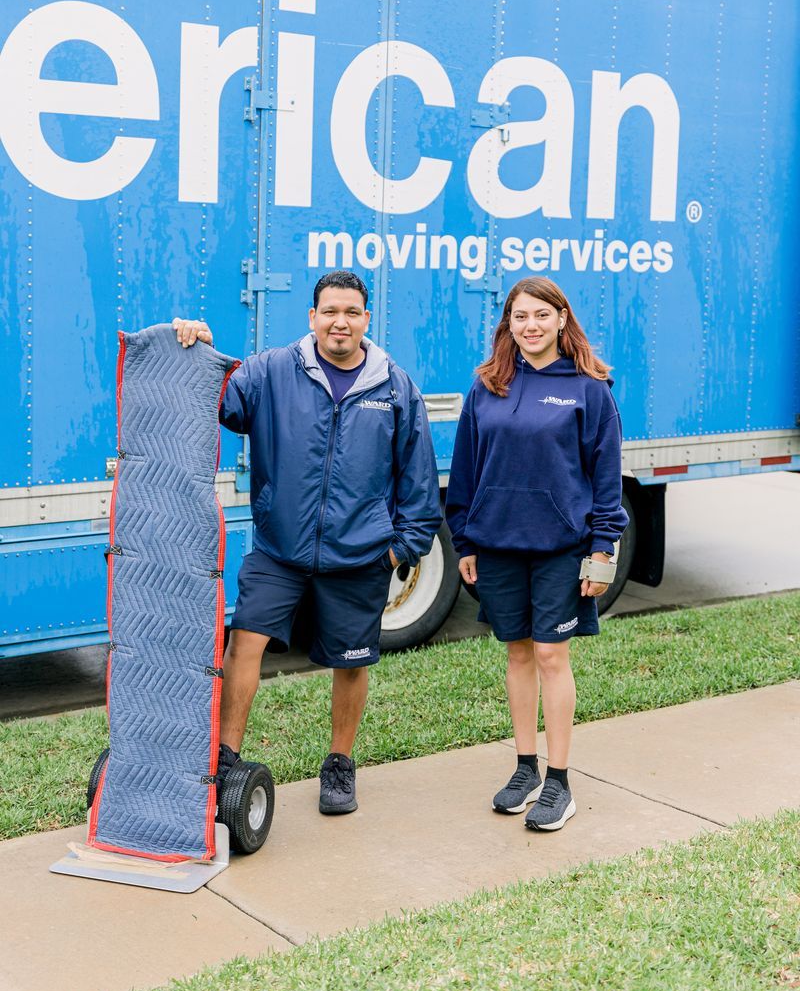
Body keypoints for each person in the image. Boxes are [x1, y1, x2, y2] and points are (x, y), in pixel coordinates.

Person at [173, 270, 441, 815]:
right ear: (312, 317)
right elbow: (221, 403)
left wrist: (399, 550)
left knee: (351, 662)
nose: (340, 321)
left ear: (367, 319)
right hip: (280, 550)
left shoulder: (394, 387)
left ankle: (340, 764)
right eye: (329, 311)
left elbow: (418, 479)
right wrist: (197, 352)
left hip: (359, 555)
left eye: (352, 312)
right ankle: (224, 759)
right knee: (244, 642)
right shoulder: (271, 371)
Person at [445, 276, 627, 832]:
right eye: (520, 316)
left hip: (560, 549)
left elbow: (605, 476)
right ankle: (525, 768)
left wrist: (602, 550)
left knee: (552, 656)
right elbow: (466, 469)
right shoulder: (487, 386)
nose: (531, 326)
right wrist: (465, 540)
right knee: (518, 654)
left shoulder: (589, 389)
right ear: (509, 324)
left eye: (542, 316)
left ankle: (560, 781)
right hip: (498, 545)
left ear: (562, 320)